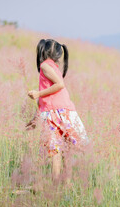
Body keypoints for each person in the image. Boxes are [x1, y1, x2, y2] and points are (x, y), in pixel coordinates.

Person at [27, 39, 88, 181]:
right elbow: (46, 98)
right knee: (66, 148)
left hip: (56, 113)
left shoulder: (45, 66)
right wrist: (36, 117)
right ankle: (65, 184)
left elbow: (59, 85)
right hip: (62, 111)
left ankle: (57, 184)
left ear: (43, 51)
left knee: (55, 150)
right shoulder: (53, 67)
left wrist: (38, 93)